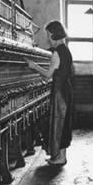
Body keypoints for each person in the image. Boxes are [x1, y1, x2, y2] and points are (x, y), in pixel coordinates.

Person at [25, 21, 73, 166]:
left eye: (48, 35)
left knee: (58, 122)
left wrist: (34, 66)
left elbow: (48, 75)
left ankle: (59, 157)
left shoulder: (57, 52)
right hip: (66, 89)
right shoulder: (66, 50)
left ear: (53, 34)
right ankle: (61, 156)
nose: (48, 38)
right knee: (63, 124)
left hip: (59, 92)